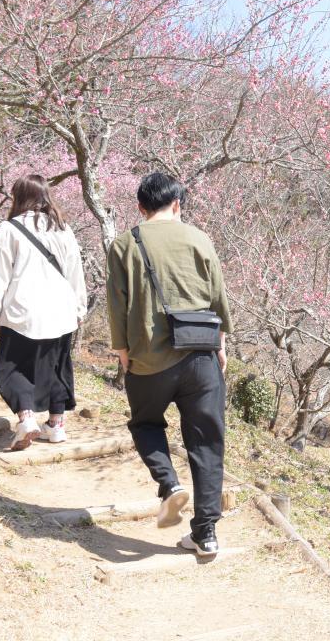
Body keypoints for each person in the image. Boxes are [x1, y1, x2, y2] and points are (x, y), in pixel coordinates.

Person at [106, 172, 232, 556]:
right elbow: (218, 296)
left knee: (145, 424)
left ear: (141, 207)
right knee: (207, 441)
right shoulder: (199, 238)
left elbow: (116, 303)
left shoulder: (125, 244)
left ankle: (169, 485)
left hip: (149, 359)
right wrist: (221, 343)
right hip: (201, 354)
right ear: (176, 204)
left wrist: (122, 350)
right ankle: (206, 533)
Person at [0, 175, 87, 450]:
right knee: (57, 367)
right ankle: (56, 426)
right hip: (61, 311)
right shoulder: (63, 228)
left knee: (12, 367)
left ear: (20, 197)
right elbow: (76, 272)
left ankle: (27, 419)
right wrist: (79, 307)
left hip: (22, 311)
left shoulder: (9, 229)